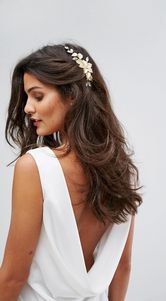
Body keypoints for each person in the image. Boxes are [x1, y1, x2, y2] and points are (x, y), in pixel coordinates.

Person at [0, 42, 143, 301]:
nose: (27, 108)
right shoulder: (124, 171)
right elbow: (123, 266)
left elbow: (13, 275)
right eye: (27, 97)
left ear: (72, 95)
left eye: (38, 96)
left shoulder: (35, 166)